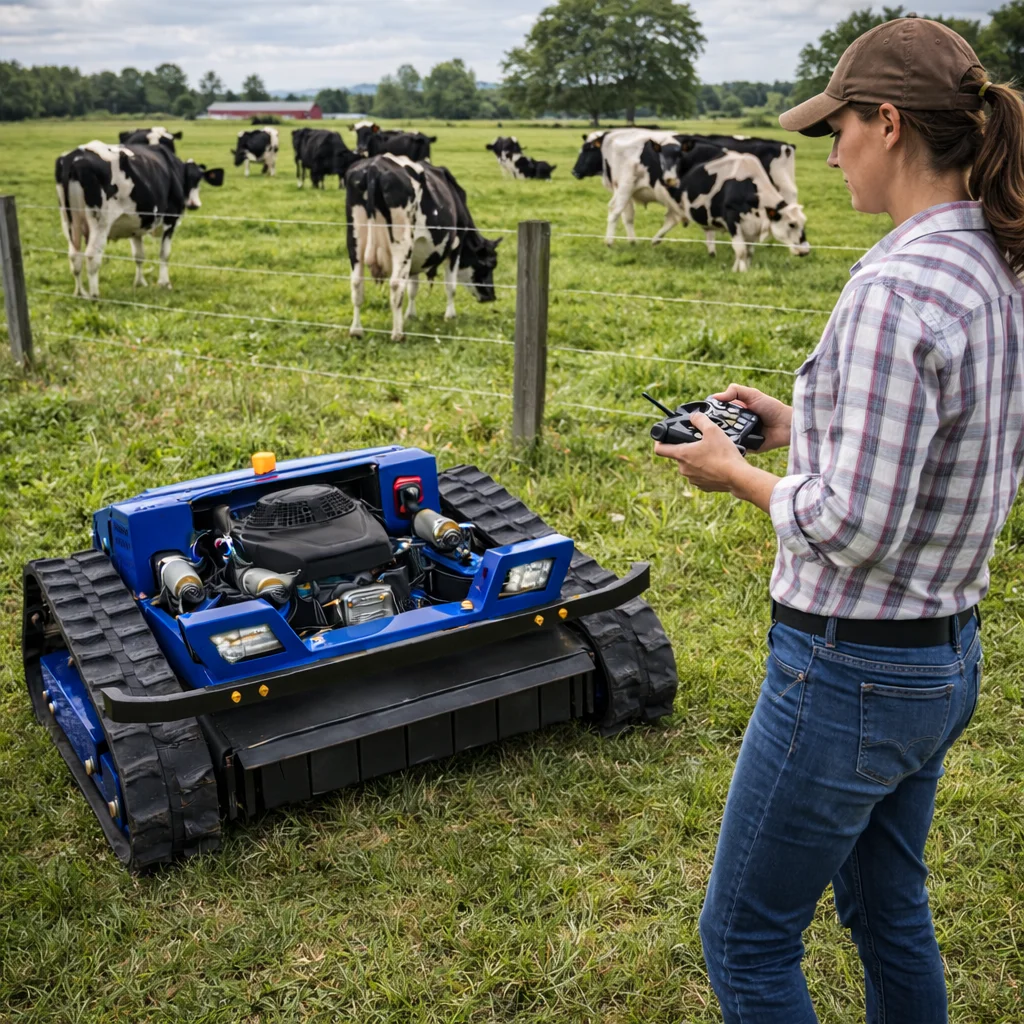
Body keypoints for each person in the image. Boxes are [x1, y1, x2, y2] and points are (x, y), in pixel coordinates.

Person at [653, 17, 1024, 1024]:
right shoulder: (996, 265)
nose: (828, 151)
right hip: (942, 656)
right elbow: (932, 452)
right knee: (884, 903)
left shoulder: (894, 287)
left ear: (889, 124)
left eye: (839, 127)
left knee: (744, 936)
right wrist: (798, 422)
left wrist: (732, 473)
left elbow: (852, 525)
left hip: (847, 669)